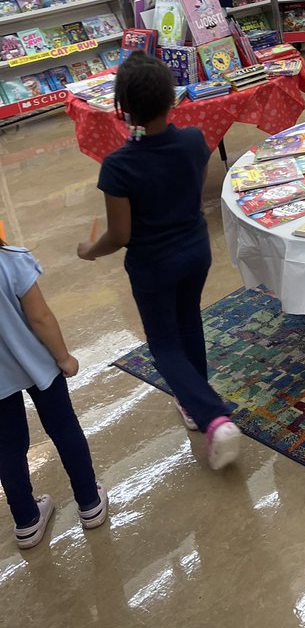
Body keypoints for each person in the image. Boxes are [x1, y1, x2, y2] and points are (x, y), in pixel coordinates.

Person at [77, 52, 241, 471]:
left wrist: (89, 250)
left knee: (164, 345)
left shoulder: (118, 166)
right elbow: (194, 185)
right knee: (188, 322)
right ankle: (195, 401)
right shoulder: (193, 140)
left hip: (153, 265)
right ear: (172, 98)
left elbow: (120, 235)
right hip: (196, 250)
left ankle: (212, 416)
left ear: (124, 108)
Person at [0, 237, 107, 549]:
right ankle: (89, 501)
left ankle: (26, 520)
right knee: (63, 427)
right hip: (38, 364)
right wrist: (63, 357)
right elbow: (40, 317)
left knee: (7, 445)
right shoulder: (12, 259)